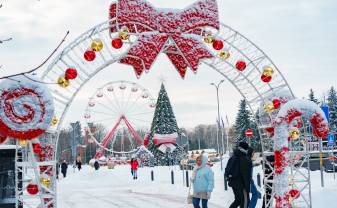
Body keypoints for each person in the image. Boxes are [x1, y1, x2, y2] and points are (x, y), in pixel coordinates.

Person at [225, 142, 252, 208]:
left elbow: (226, 170)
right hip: (241, 184)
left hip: (233, 183)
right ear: (245, 149)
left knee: (238, 200)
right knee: (245, 202)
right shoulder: (244, 158)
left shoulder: (233, 156)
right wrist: (247, 188)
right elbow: (245, 174)